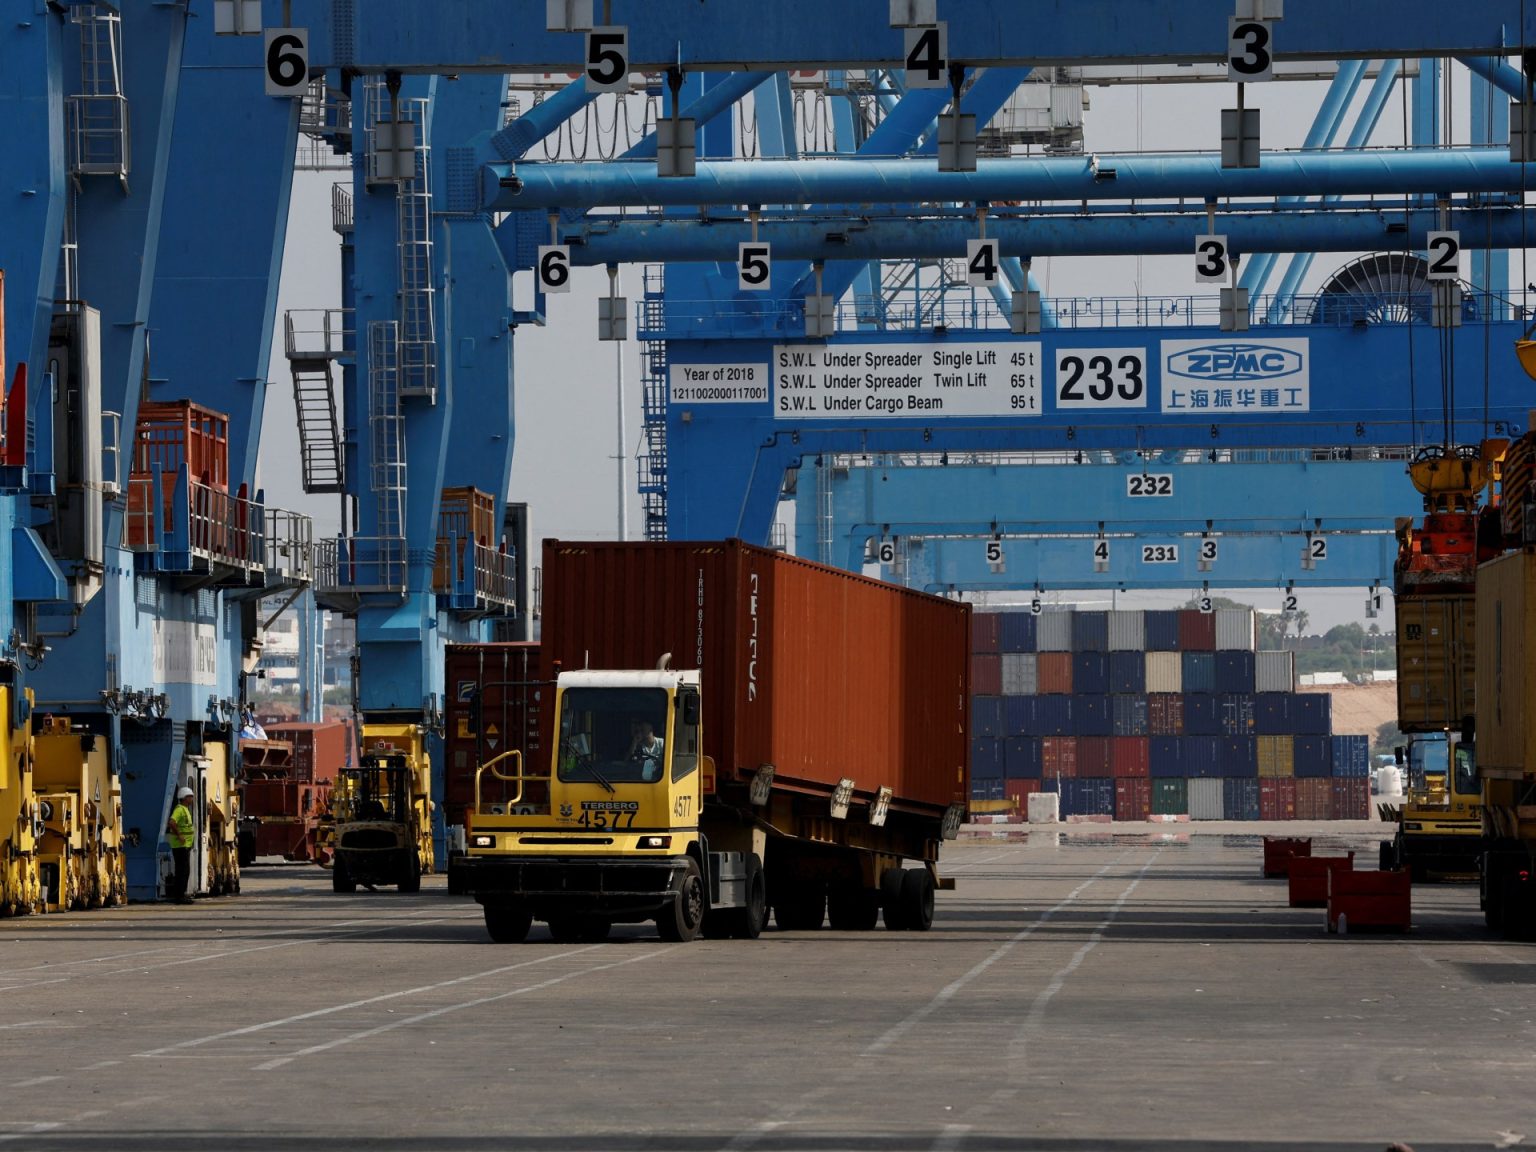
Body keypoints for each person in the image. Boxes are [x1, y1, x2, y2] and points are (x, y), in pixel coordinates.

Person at [166, 786, 196, 904]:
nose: (191, 799)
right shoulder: (179, 810)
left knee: (184, 871)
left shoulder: (185, 809)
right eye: (190, 797)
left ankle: (181, 895)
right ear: (184, 798)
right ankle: (179, 897)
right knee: (182, 871)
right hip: (180, 846)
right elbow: (172, 823)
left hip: (184, 846)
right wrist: (179, 835)